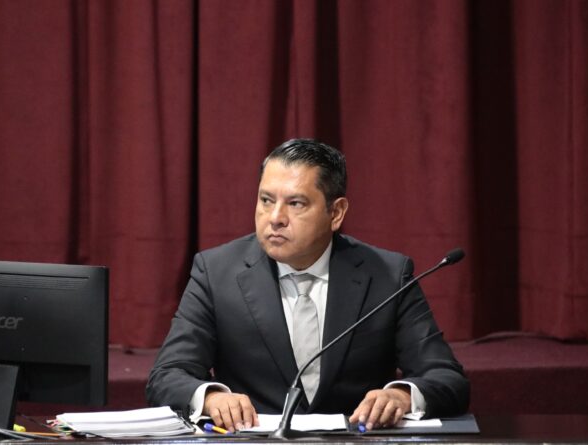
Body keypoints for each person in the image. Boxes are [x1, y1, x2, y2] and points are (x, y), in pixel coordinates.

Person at [146, 139, 469, 432]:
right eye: (266, 200)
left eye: (296, 203)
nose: (275, 217)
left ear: (336, 212)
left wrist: (402, 395)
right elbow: (167, 376)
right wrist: (210, 397)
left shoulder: (388, 275)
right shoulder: (217, 273)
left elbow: (447, 378)